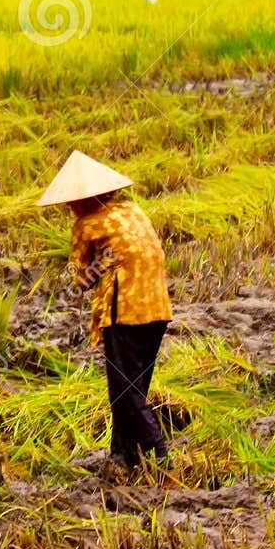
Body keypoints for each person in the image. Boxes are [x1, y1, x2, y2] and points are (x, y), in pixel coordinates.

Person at [37, 150, 176, 469]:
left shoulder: (87, 224)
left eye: (71, 202)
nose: (69, 207)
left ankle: (161, 456)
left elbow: (79, 280)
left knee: (125, 393)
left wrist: (78, 272)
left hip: (124, 312)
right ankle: (123, 455)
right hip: (158, 309)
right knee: (134, 386)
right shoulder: (134, 211)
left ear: (84, 200)